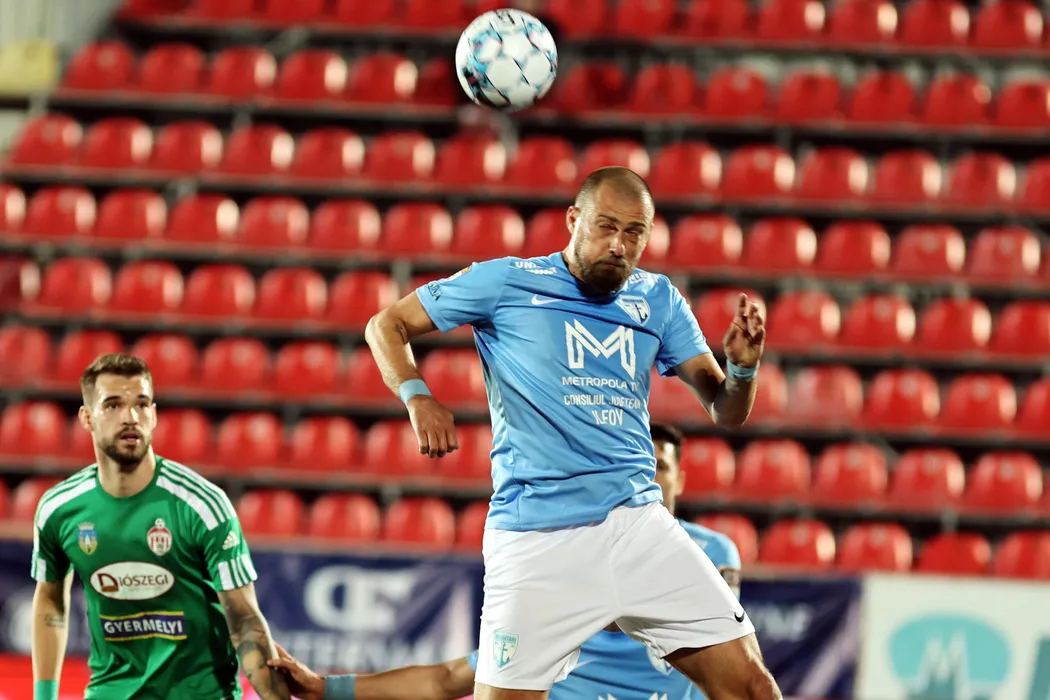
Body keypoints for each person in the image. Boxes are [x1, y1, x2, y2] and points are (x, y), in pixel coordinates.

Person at [364, 166, 780, 700]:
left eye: (634, 232)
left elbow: (726, 410)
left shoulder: (658, 299)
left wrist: (742, 368)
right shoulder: (506, 281)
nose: (618, 244)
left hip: (638, 526)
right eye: (606, 226)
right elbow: (387, 325)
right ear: (573, 219)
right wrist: (418, 396)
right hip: (538, 536)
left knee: (753, 688)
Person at [267, 422, 743, 700]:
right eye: (637, 463)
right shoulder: (557, 559)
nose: (648, 475)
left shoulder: (711, 553)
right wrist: (327, 689)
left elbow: (713, 645)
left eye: (660, 466)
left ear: (680, 478)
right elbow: (448, 678)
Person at [30, 354, 290, 700]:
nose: (131, 417)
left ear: (153, 414)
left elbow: (245, 622)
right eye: (113, 405)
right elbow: (50, 601)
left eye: (141, 404)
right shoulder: (58, 509)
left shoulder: (203, 505)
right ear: (87, 417)